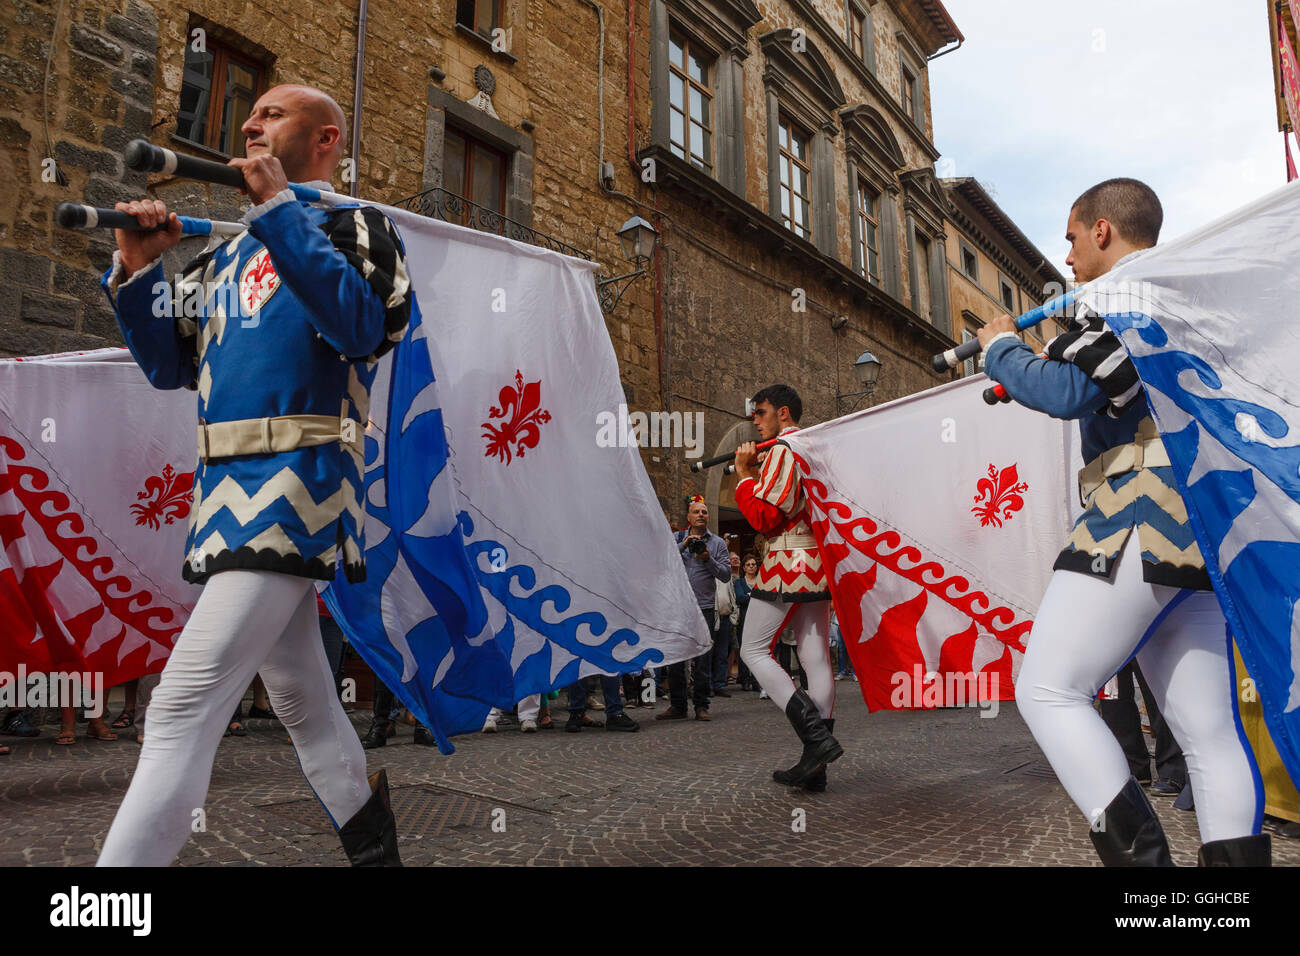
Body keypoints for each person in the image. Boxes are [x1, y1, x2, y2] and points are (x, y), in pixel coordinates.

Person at [95, 84, 410, 867]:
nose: (248, 122)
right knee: (305, 697)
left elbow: (360, 326)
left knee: (176, 710)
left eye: (271, 113)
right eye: (251, 114)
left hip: (300, 485)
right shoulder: (225, 250)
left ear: (326, 138)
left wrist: (279, 215)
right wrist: (138, 275)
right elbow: (173, 367)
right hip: (225, 495)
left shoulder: (355, 225)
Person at [980, 178, 1267, 867]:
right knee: (1208, 732)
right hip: (1201, 517)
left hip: (1140, 504)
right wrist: (1043, 360)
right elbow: (1111, 384)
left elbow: (1074, 390)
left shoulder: (1117, 294)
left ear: (1101, 230)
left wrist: (1001, 351)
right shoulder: (1180, 298)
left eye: (1073, 238)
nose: (1069, 256)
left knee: (1048, 689)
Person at [734, 385, 841, 791]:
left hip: (788, 563)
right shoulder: (814, 449)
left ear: (782, 413)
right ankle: (818, 767)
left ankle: (816, 743)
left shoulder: (784, 450)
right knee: (814, 656)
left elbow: (764, 517)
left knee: (753, 650)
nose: (755, 422)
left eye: (759, 413)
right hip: (818, 563)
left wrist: (745, 476)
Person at [658, 496, 730, 722]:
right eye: (696, 512)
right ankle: (678, 705)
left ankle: (701, 705)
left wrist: (708, 559)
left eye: (704, 512)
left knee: (703, 658)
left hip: (704, 607)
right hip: (677, 607)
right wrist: (684, 545)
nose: (701, 515)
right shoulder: (676, 539)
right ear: (688, 518)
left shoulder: (717, 543)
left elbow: (726, 574)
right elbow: (662, 561)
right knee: (676, 658)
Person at [1099, 661, 1186, 795]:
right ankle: (1133, 766)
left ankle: (1173, 770)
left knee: (1156, 692)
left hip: (1147, 642)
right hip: (1107, 643)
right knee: (1114, 699)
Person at [711, 555, 739, 697]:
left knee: (722, 654)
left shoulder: (727, 577)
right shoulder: (708, 574)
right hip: (711, 618)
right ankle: (708, 685)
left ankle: (719, 685)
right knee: (709, 654)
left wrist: (734, 616)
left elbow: (732, 596)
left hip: (726, 618)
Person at [734, 552, 759, 690]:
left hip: (760, 619)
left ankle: (756, 680)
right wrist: (755, 595)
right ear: (743, 568)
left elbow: (765, 598)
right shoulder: (739, 582)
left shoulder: (761, 581)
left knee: (758, 649)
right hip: (744, 619)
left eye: (753, 564)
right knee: (744, 648)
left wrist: (749, 595)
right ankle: (744, 679)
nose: (751, 567)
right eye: (748, 565)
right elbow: (739, 598)